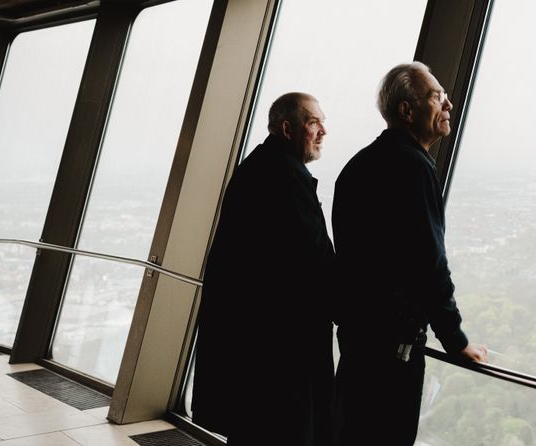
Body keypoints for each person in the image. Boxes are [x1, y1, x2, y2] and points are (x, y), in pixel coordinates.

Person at [332, 62, 489, 446]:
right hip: (392, 351)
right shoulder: (414, 170)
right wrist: (456, 340)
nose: (449, 104)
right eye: (437, 97)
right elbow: (429, 264)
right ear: (407, 110)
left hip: (358, 341)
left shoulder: (356, 167)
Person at [192, 92, 335, 446]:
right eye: (314, 122)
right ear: (288, 129)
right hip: (279, 354)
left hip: (253, 351)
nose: (323, 132)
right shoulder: (284, 177)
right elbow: (311, 258)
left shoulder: (259, 167)